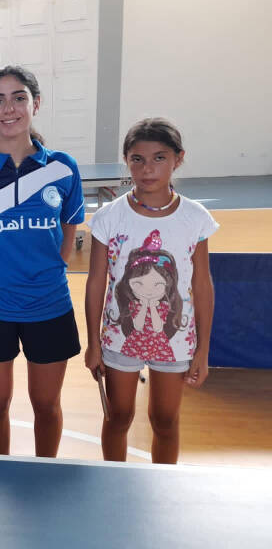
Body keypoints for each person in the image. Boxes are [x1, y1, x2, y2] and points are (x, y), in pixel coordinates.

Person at [0, 65, 84, 457]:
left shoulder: (62, 167)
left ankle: (45, 469)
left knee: (47, 405)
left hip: (50, 305)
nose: (9, 108)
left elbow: (69, 232)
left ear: (35, 104)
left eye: (19, 97)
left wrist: (47, 272)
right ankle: (1, 467)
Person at [84, 117, 217, 464]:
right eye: (137, 159)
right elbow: (96, 281)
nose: (147, 169)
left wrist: (202, 350)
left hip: (175, 339)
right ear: (126, 161)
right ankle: (113, 482)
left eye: (159, 158)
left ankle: (162, 486)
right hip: (119, 337)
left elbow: (202, 285)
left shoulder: (194, 218)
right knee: (118, 417)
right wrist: (94, 343)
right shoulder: (109, 217)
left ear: (178, 159)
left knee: (165, 420)